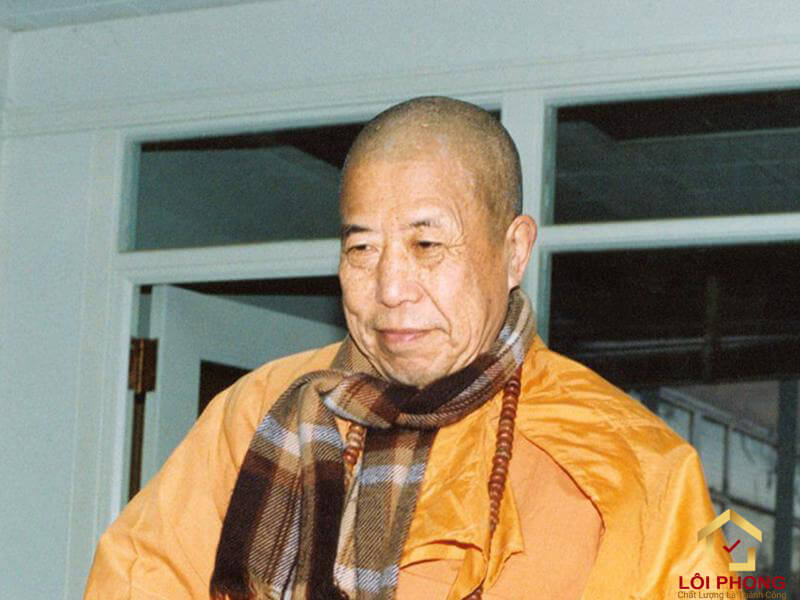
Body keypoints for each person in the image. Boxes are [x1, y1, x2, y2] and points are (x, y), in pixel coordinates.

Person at [85, 97, 733, 599]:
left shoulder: (631, 464)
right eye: (362, 248)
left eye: (427, 245)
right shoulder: (258, 413)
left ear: (513, 252)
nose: (390, 289)